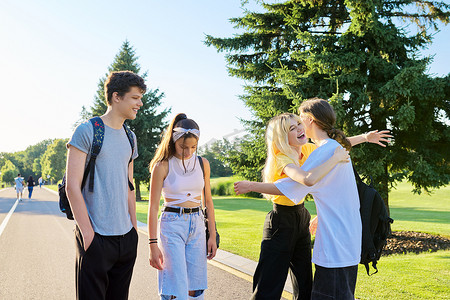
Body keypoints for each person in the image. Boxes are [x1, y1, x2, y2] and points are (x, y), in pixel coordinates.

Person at [234, 112, 391, 300]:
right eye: (292, 128)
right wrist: (251, 186)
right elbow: (299, 182)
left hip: (301, 218)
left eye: (299, 124)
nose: (300, 128)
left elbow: (334, 148)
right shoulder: (282, 157)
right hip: (280, 222)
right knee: (269, 286)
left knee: (305, 285)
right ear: (283, 137)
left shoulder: (307, 149)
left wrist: (365, 138)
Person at [65, 71, 145, 300]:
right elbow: (72, 186)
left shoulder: (131, 137)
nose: (140, 103)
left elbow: (129, 186)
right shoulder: (87, 131)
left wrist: (133, 229)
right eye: (135, 97)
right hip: (96, 238)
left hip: (126, 239)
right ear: (117, 97)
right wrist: (88, 235)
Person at [148, 113, 217, 300]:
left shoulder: (203, 164)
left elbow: (208, 202)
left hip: (197, 224)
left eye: (193, 147)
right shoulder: (162, 166)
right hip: (172, 224)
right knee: (175, 287)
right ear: (173, 141)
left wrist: (212, 235)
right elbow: (153, 206)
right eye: (183, 147)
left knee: (195, 288)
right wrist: (153, 244)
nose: (188, 152)